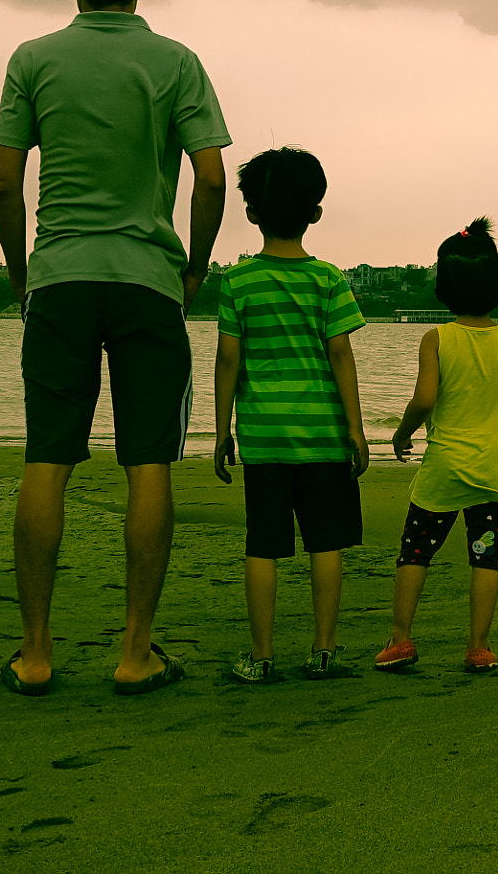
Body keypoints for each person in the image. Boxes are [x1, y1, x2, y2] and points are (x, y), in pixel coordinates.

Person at [0, 0, 230, 697]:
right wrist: (193, 266)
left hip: (60, 275)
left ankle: (34, 652)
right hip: (146, 281)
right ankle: (135, 651)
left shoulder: (32, 59)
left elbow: (3, 182)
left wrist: (21, 271)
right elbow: (213, 177)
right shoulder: (176, 61)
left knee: (46, 459)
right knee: (148, 461)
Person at [211, 147, 370, 683]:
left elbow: (228, 359)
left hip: (263, 439)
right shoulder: (328, 280)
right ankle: (323, 651)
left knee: (264, 545)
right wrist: (356, 428)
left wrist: (221, 431)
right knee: (325, 543)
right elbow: (341, 354)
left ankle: (260, 657)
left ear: (251, 211)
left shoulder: (236, 283)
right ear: (316, 212)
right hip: (323, 437)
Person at [375, 218, 498, 675]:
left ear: (443, 288)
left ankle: (400, 640)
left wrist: (402, 433)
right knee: (486, 555)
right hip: (494, 469)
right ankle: (478, 646)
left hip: (445, 468)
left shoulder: (437, 338)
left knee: (415, 551)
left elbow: (426, 399)